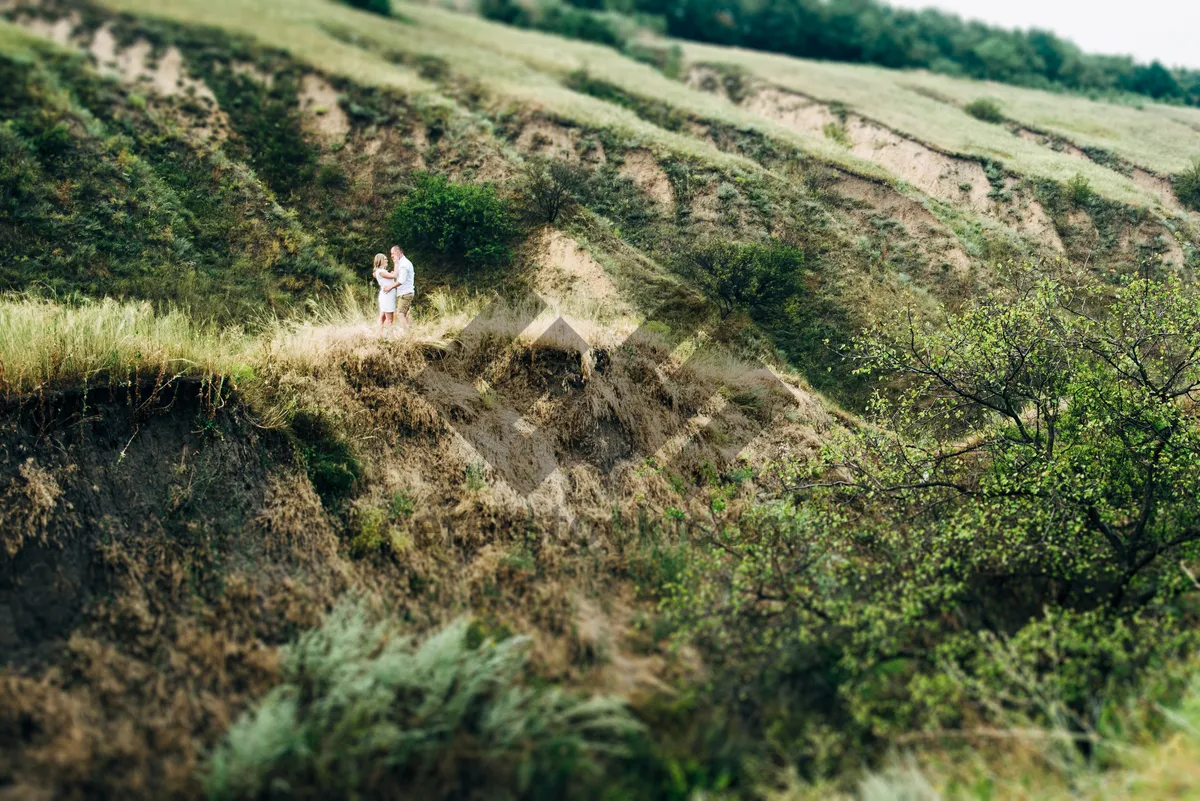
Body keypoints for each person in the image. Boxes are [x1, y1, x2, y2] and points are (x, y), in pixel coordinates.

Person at [390, 245, 415, 330]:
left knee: (400, 313)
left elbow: (401, 281)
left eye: (392, 253)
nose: (391, 256)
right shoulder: (401, 263)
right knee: (407, 314)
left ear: (398, 252)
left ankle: (406, 333)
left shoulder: (404, 264)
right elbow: (398, 276)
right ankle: (411, 332)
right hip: (406, 292)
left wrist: (390, 287)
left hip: (405, 293)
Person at [373, 253, 398, 330]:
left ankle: (378, 335)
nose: (387, 260)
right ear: (380, 260)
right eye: (385, 259)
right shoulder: (380, 272)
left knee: (383, 317)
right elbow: (395, 276)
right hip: (387, 296)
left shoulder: (382, 271)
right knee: (389, 318)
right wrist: (396, 264)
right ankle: (391, 337)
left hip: (387, 295)